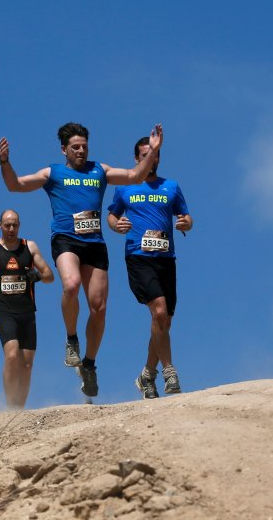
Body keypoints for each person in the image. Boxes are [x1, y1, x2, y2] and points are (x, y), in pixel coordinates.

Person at [0, 123, 163, 398]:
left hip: (95, 244)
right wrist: (5, 161)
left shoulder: (100, 170)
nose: (81, 151)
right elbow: (15, 185)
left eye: (84, 146)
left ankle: (88, 364)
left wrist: (152, 151)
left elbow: (135, 175)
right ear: (64, 149)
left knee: (98, 308)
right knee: (71, 285)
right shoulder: (53, 173)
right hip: (65, 240)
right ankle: (72, 338)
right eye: (75, 147)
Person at [107, 137, 193, 398]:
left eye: (155, 154)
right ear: (137, 159)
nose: (151, 158)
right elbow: (111, 215)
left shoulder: (172, 187)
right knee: (158, 310)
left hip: (166, 259)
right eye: (146, 154)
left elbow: (186, 216)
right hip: (138, 256)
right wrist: (115, 225)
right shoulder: (124, 187)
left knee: (163, 321)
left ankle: (146, 375)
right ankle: (170, 372)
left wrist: (185, 224)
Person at [0, 209, 54, 409]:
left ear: (19, 225)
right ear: (0, 225)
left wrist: (38, 276)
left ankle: (19, 408)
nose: (11, 229)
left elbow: (50, 275)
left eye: (14, 225)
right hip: (2, 310)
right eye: (7, 225)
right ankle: (9, 407)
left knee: (26, 365)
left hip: (26, 312)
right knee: (12, 354)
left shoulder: (30, 247)